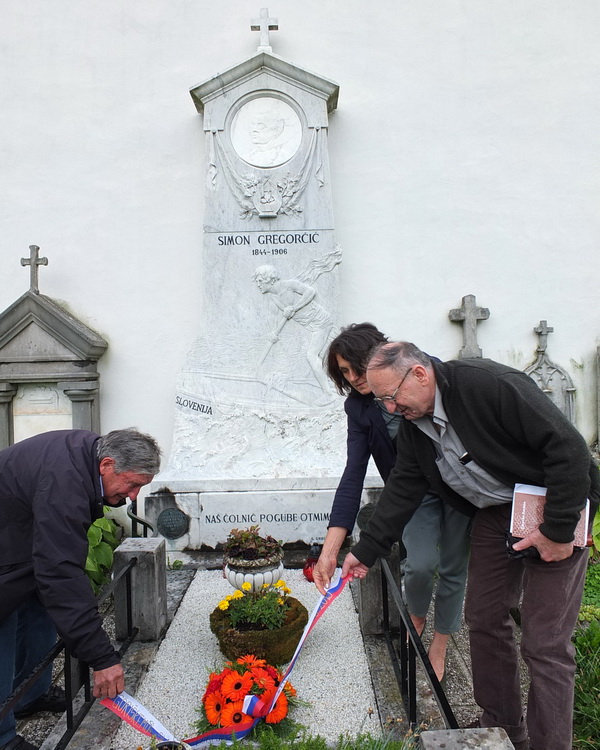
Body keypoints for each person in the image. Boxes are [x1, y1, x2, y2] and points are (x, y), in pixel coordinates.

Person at [342, 342, 600, 750]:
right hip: (497, 513)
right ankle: (503, 729)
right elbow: (403, 488)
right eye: (381, 402)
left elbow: (568, 447)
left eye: (391, 396)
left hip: (555, 506)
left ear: (419, 375)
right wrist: (365, 551)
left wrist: (557, 530)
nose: (390, 408)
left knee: (544, 643)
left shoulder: (487, 384)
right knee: (483, 618)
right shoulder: (415, 426)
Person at [312, 324, 472, 681]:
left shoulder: (422, 377)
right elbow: (353, 474)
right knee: (419, 564)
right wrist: (329, 550)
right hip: (411, 494)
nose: (353, 377)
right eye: (344, 372)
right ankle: (416, 616)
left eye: (356, 366)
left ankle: (441, 641)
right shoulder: (358, 408)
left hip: (459, 489)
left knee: (452, 566)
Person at [0, 428, 161, 750]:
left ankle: (30, 696)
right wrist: (102, 659)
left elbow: (56, 568)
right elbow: (61, 574)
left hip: (16, 534)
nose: (133, 497)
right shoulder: (65, 483)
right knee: (3, 626)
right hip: (6, 543)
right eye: (132, 484)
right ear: (107, 465)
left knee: (39, 607)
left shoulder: (88, 457)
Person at [252, 264, 333, 395]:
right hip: (309, 327)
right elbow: (279, 317)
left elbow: (311, 292)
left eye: (260, 281)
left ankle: (328, 394)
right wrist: (273, 333)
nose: (258, 285)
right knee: (321, 356)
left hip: (321, 322)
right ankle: (332, 384)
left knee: (311, 356)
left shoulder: (289, 284)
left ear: (270, 280)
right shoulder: (274, 297)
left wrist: (295, 307)